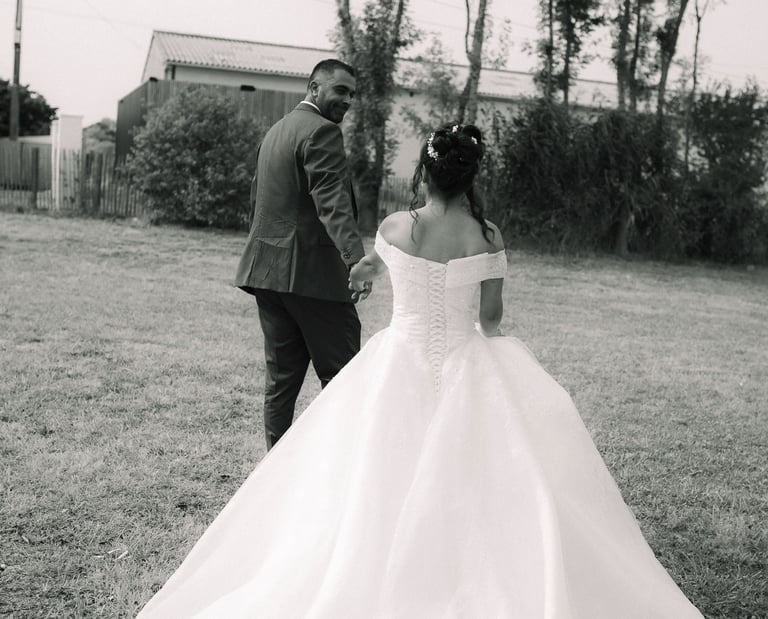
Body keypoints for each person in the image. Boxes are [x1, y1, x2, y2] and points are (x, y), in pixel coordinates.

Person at [137, 124, 703, 618]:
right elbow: (490, 318)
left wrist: (363, 275)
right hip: (465, 356)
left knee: (368, 470)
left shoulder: (394, 228)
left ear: (424, 176)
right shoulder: (488, 237)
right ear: (470, 179)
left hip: (397, 358)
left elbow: (374, 270)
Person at [233, 58, 370, 450]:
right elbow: (332, 202)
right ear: (314, 88)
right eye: (340, 91)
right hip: (311, 276)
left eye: (352, 94)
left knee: (281, 381)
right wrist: (355, 259)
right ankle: (335, 465)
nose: (347, 100)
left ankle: (276, 470)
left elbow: (258, 201)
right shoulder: (322, 132)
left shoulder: (276, 131)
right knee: (344, 375)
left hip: (267, 274)